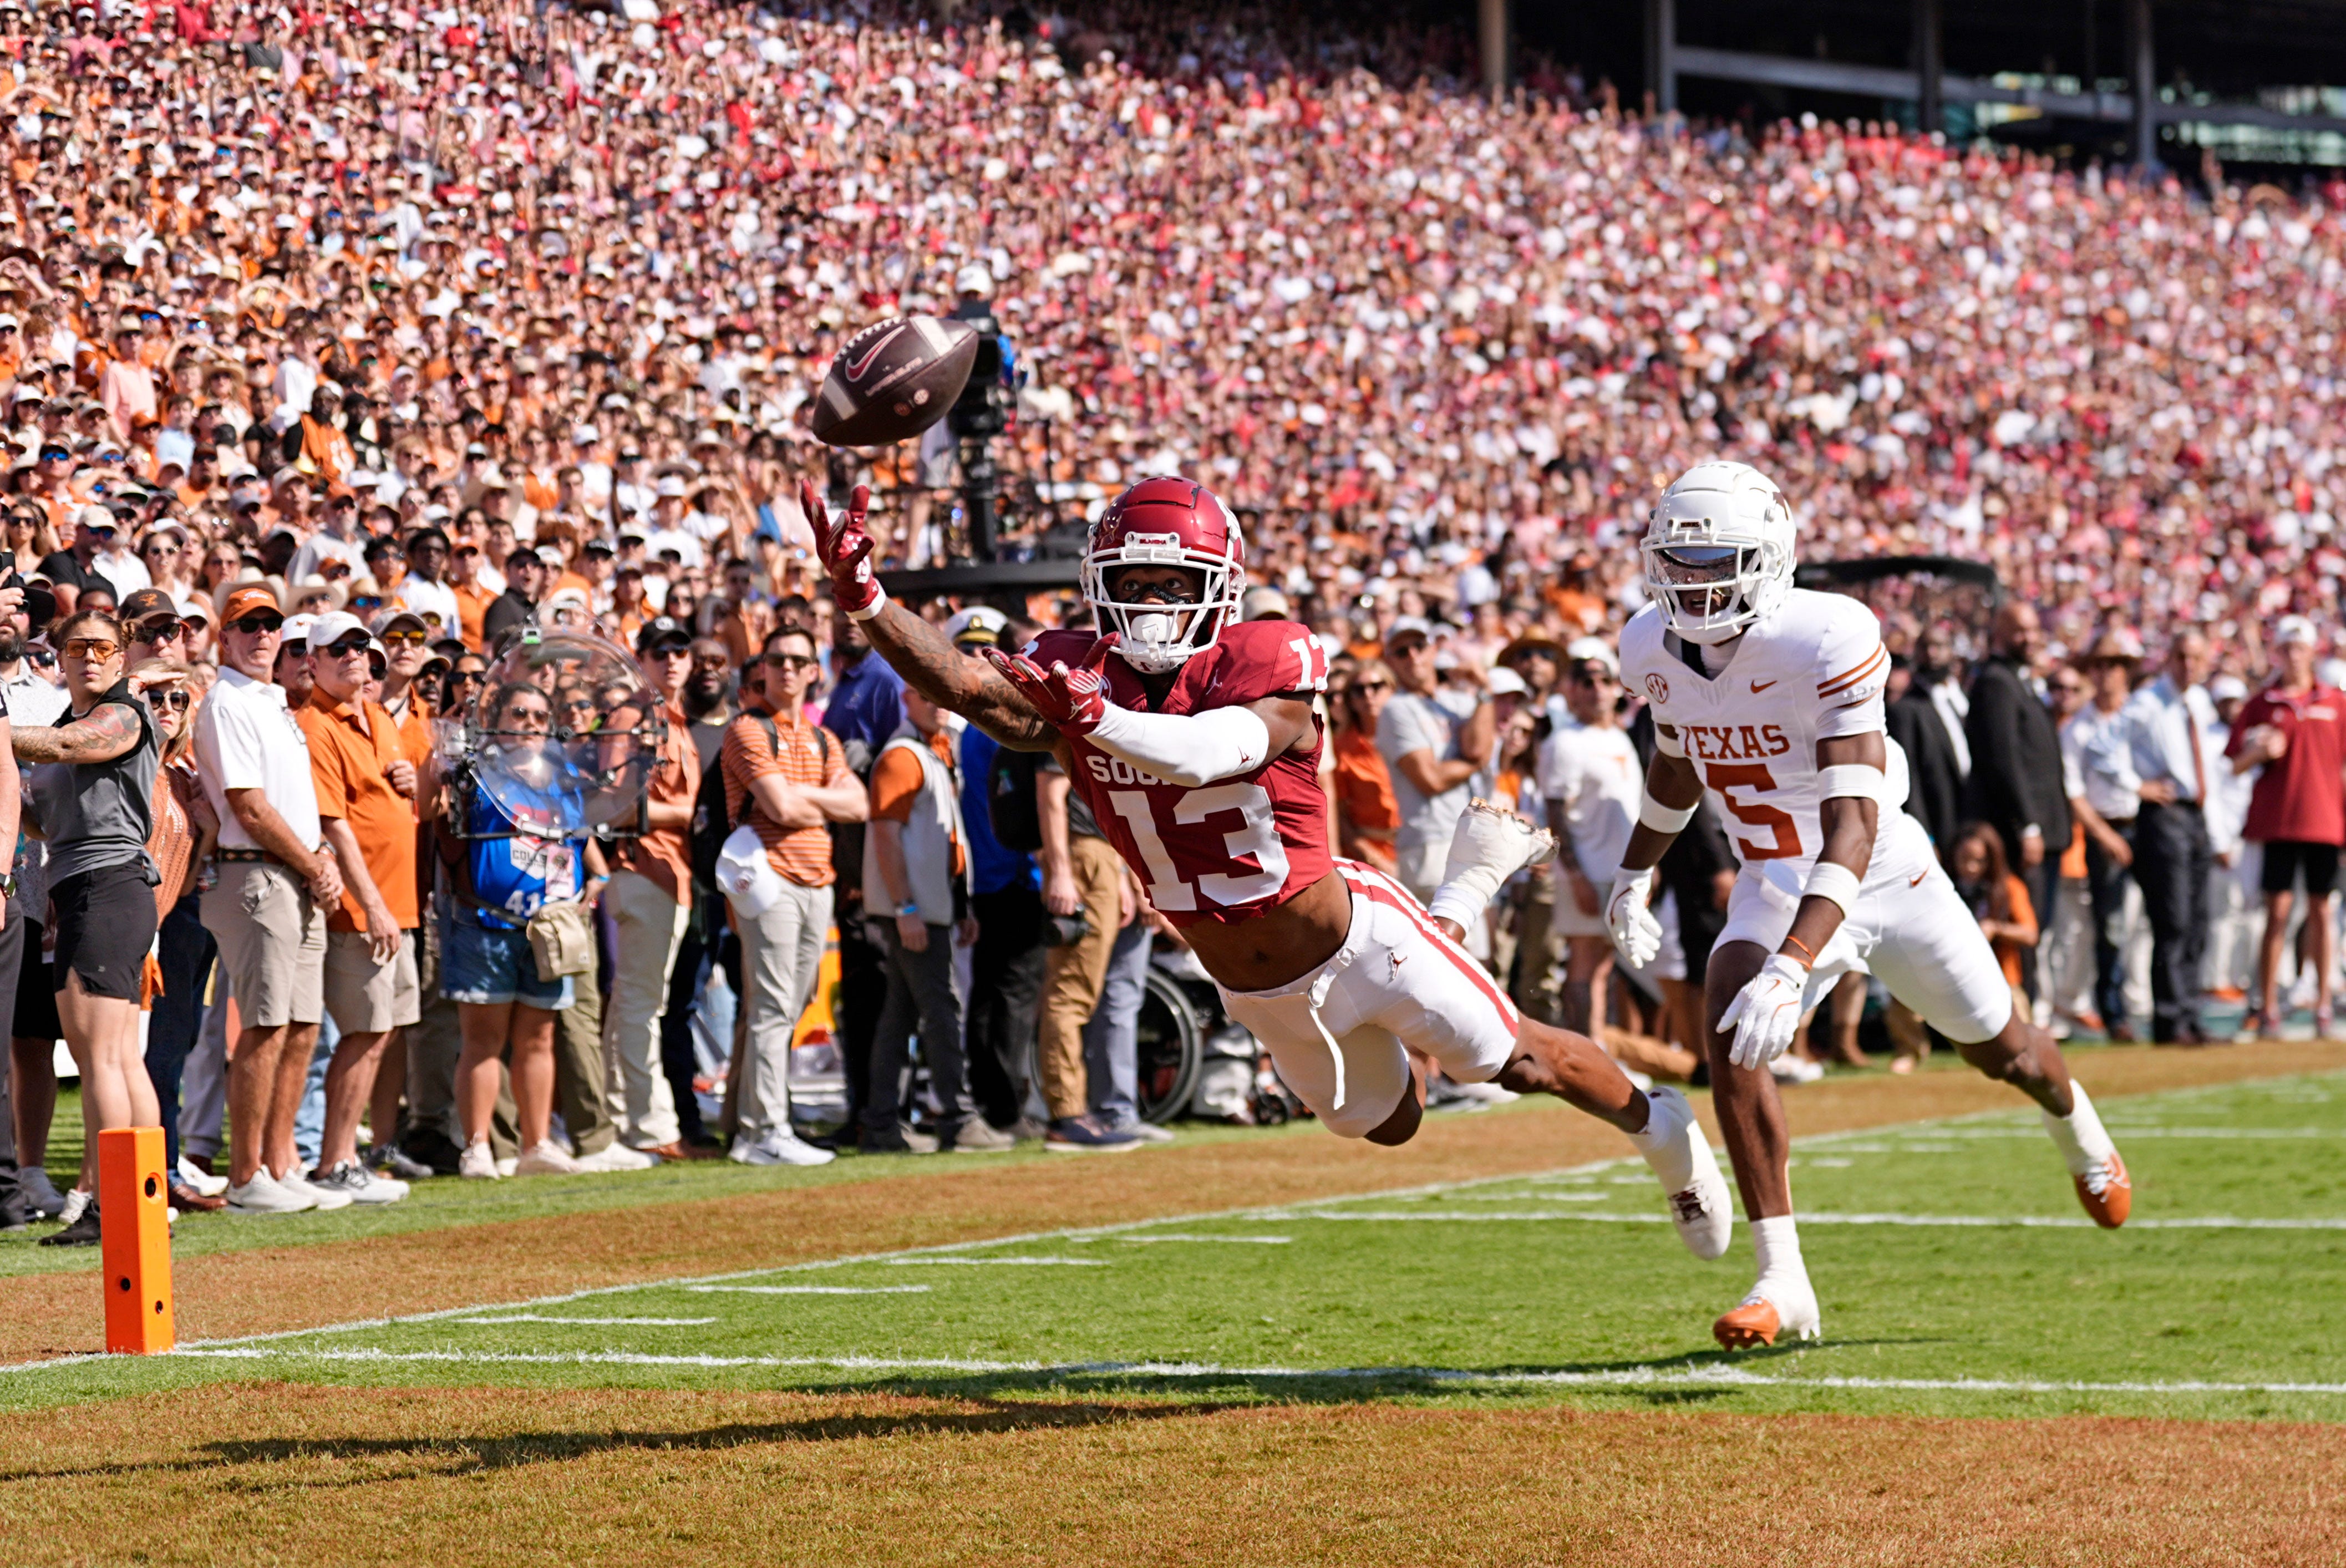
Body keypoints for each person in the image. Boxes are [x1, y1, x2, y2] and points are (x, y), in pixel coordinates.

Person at [815, 476, 1732, 1253]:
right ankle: (1459, 899)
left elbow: (1211, 751)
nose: (1150, 603)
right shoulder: (1079, 674)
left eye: (1172, 583)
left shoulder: (1266, 657)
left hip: (1358, 935)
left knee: (1514, 1059)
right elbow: (969, 686)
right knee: (1389, 1122)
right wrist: (865, 598)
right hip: (1259, 992)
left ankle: (1664, 1133)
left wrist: (1092, 720)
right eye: (1132, 581)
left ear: (1220, 588)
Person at [1609, 462, 2129, 1350]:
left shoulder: (1826, 634)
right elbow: (1675, 757)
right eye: (1680, 565)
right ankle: (1785, 1281)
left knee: (2005, 1051)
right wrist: (1634, 870)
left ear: (1770, 560)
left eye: (1718, 563)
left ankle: (2079, 1132)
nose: (1694, 586)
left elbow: (1851, 821)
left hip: (1883, 870)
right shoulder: (1649, 645)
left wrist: (1793, 965)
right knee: (1730, 1020)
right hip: (1775, 874)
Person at [12, 611, 165, 1246]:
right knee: (121, 1058)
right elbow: (48, 820)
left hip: (109, 886)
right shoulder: (59, 726)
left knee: (100, 1056)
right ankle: (141, 1205)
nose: (91, 657)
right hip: (85, 887)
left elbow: (74, 748)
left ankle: (112, 1207)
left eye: (104, 647)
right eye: (78, 647)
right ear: (62, 655)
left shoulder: (123, 713)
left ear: (123, 658)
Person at [194, 585, 345, 1215]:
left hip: (293, 872)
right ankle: (247, 1172)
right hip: (257, 874)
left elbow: (284, 802)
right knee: (263, 1024)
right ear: (224, 637)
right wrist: (315, 863)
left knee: (303, 1025)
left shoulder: (275, 702)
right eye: (247, 625)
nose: (260, 635)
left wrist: (321, 860)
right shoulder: (226, 700)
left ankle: (281, 1164)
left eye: (270, 624)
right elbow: (249, 807)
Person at [437, 680, 600, 1178]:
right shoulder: (475, 773)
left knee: (539, 1037)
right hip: (487, 921)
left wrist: (599, 878)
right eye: (519, 712)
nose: (529, 724)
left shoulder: (564, 777)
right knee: (483, 1038)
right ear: (497, 718)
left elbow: (578, 841)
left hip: (548, 927)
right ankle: (478, 1146)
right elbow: (446, 833)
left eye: (538, 716)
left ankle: (537, 1144)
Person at [719, 624, 865, 1166]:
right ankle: (765, 1129)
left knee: (788, 1003)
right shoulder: (747, 730)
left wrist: (803, 797)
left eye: (796, 660)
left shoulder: (823, 739)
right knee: (774, 1007)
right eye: (776, 658)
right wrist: (822, 799)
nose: (785, 668)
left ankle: (746, 1125)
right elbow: (780, 810)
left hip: (818, 879)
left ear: (812, 671)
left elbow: (862, 805)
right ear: (762, 668)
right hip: (770, 877)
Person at [295, 612, 418, 1204]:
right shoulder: (317, 723)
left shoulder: (376, 718)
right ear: (312, 661)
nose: (352, 656)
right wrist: (369, 903)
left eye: (360, 647)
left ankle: (346, 1157)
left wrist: (412, 782)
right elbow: (333, 823)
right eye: (336, 648)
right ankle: (334, 1160)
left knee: (381, 1030)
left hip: (399, 902)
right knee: (362, 1030)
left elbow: (390, 801)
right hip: (364, 906)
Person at [862, 684, 1007, 1153]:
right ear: (906, 698)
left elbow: (948, 843)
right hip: (915, 909)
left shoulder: (933, 751)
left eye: (943, 696)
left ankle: (883, 1125)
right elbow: (885, 838)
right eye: (928, 695)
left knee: (901, 1016)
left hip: (931, 906)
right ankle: (957, 1119)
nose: (938, 703)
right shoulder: (903, 756)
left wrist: (960, 906)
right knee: (942, 1012)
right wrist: (905, 908)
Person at [600, 617, 701, 1161]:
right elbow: (614, 803)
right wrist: (687, 814)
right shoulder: (632, 716)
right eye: (659, 651)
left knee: (634, 1004)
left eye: (679, 650)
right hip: (642, 870)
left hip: (668, 873)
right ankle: (651, 1124)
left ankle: (620, 1115)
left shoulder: (675, 721)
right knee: (642, 1005)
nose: (671, 660)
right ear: (640, 659)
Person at [947, 608, 1050, 1135]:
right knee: (1011, 992)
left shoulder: (974, 723)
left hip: (991, 876)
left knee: (991, 994)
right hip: (1014, 873)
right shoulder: (1007, 721)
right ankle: (1007, 1109)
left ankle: (993, 1102)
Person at [2227, 616, 2345, 1039]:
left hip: (2326, 824)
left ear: (2313, 651)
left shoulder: (2335, 703)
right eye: (2287, 648)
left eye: (2301, 648)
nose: (2294, 655)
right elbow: (2234, 764)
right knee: (2276, 913)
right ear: (2278, 651)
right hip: (2278, 824)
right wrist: (2258, 752)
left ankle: (2324, 1003)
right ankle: (2269, 1004)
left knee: (2322, 912)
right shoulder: (2262, 704)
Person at [1962, 602, 2071, 1007]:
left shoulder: (2020, 681)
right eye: (2019, 631)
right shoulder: (1996, 682)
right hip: (2021, 831)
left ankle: (2031, 1008)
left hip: (2044, 826)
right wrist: (2027, 825)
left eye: (2032, 630)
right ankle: (2019, 1011)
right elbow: (2003, 759)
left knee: (2037, 925)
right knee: (2025, 925)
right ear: (2000, 634)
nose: (2029, 638)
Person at [2120, 628, 2220, 1046]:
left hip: (2196, 815)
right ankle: (2170, 1018)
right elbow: (2104, 745)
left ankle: (2189, 1013)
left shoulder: (2198, 702)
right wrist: (2135, 785)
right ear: (2169, 659)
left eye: (2196, 657)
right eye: (2181, 656)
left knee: (2198, 919)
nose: (2189, 665)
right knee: (2173, 918)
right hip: (2165, 815)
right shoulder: (2147, 702)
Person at [1539, 640, 1641, 1038]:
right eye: (1586, 680)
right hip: (1587, 871)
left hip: (1620, 871)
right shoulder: (1565, 742)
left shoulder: (1620, 738)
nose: (1596, 688)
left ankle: (1599, 1048)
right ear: (1570, 689)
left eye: (1604, 679)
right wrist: (1575, 875)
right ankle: (1589, 1050)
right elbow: (1554, 813)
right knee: (1584, 963)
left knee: (1602, 963)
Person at [2064, 628, 2147, 1041]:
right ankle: (2113, 1010)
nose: (2107, 673)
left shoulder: (2141, 718)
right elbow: (2074, 790)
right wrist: (2102, 834)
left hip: (2147, 823)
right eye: (2099, 665)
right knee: (2111, 923)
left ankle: (2160, 1004)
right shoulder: (2079, 728)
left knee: (2163, 920)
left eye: (2114, 665)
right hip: (2107, 827)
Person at [1377, 618, 1494, 904]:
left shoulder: (1460, 700)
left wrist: (1485, 691)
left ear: (1433, 650)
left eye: (1418, 646)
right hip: (1430, 844)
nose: (1413, 657)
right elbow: (1431, 780)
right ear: (1390, 661)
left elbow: (1477, 748)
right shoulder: (1395, 709)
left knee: (1477, 949)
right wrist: (1475, 763)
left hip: (1472, 839)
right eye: (1401, 652)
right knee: (1444, 947)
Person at [1949, 822, 2040, 1021]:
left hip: (2001, 979)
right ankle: (1910, 1049)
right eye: (1964, 859)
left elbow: (2030, 934)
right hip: (1954, 980)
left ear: (1992, 859)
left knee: (2020, 1026)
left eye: (1979, 861)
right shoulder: (1945, 888)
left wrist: (1995, 929)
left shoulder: (2009, 887)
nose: (1971, 867)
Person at [1331, 658, 1401, 875]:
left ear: (1392, 690)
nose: (1368, 695)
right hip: (1368, 859)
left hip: (1416, 847)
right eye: (1359, 690)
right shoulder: (1340, 748)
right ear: (1350, 700)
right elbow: (1338, 816)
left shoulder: (1412, 738)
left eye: (1376, 687)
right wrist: (1375, 859)